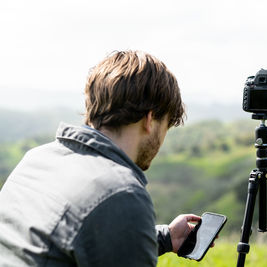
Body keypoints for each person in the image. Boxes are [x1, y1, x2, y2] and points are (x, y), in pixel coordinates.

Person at [0, 50, 202, 266]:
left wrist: (167, 237)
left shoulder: (37, 158)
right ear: (150, 120)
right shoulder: (120, 192)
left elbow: (74, 240)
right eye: (166, 127)